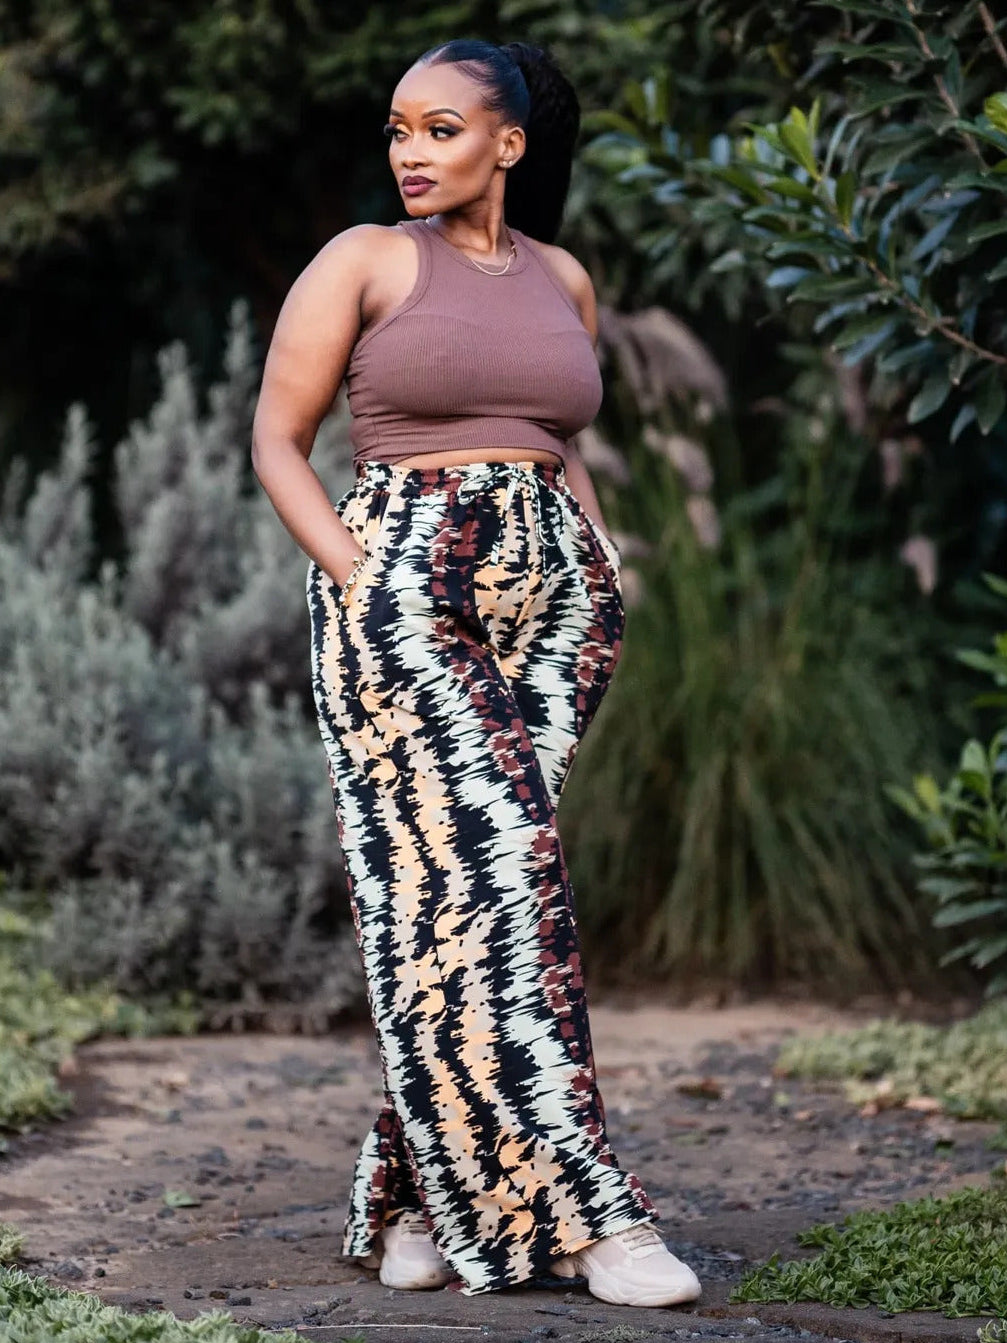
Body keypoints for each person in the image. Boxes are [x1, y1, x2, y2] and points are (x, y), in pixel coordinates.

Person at [251, 37, 702, 1310]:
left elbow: (557, 439)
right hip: (402, 582)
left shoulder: (563, 277)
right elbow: (277, 444)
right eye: (397, 128)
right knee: (511, 884)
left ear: (507, 143)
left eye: (438, 128)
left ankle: (408, 1199)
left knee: (467, 898)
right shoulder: (363, 259)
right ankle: (595, 1219)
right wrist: (360, 576)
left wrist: (601, 555)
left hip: (555, 603)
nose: (407, 151)